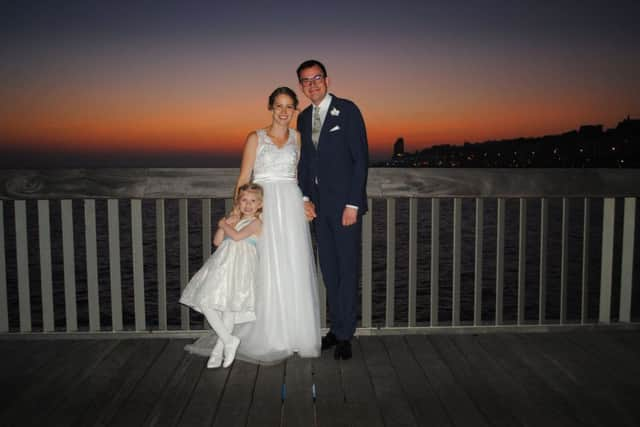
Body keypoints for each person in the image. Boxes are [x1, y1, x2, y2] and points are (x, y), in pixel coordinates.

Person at [231, 86, 321, 364]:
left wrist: (306, 200)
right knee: (267, 268)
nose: (284, 112)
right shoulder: (255, 138)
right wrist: (239, 212)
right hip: (265, 206)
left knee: (294, 266)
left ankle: (297, 334)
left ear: (295, 110)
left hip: (291, 205)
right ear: (270, 107)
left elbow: (303, 175)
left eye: (289, 106)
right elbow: (244, 177)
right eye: (278, 106)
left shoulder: (298, 138)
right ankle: (271, 334)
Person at [296, 59, 369, 360]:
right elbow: (302, 163)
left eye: (317, 78)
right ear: (301, 85)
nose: (312, 84)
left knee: (347, 270)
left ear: (327, 80)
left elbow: (360, 160)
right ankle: (336, 327)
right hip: (318, 208)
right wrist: (304, 199)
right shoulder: (302, 118)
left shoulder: (347, 110)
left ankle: (345, 335)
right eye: (306, 80)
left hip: (344, 208)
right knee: (329, 269)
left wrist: (353, 204)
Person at [179, 183, 263, 368]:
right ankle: (227, 341)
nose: (248, 205)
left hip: (241, 268)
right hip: (223, 265)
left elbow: (238, 237)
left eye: (253, 201)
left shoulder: (257, 223)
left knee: (229, 310)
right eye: (244, 200)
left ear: (259, 204)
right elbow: (217, 241)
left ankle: (219, 350)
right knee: (205, 301)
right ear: (238, 202)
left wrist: (225, 225)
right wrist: (226, 223)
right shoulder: (234, 220)